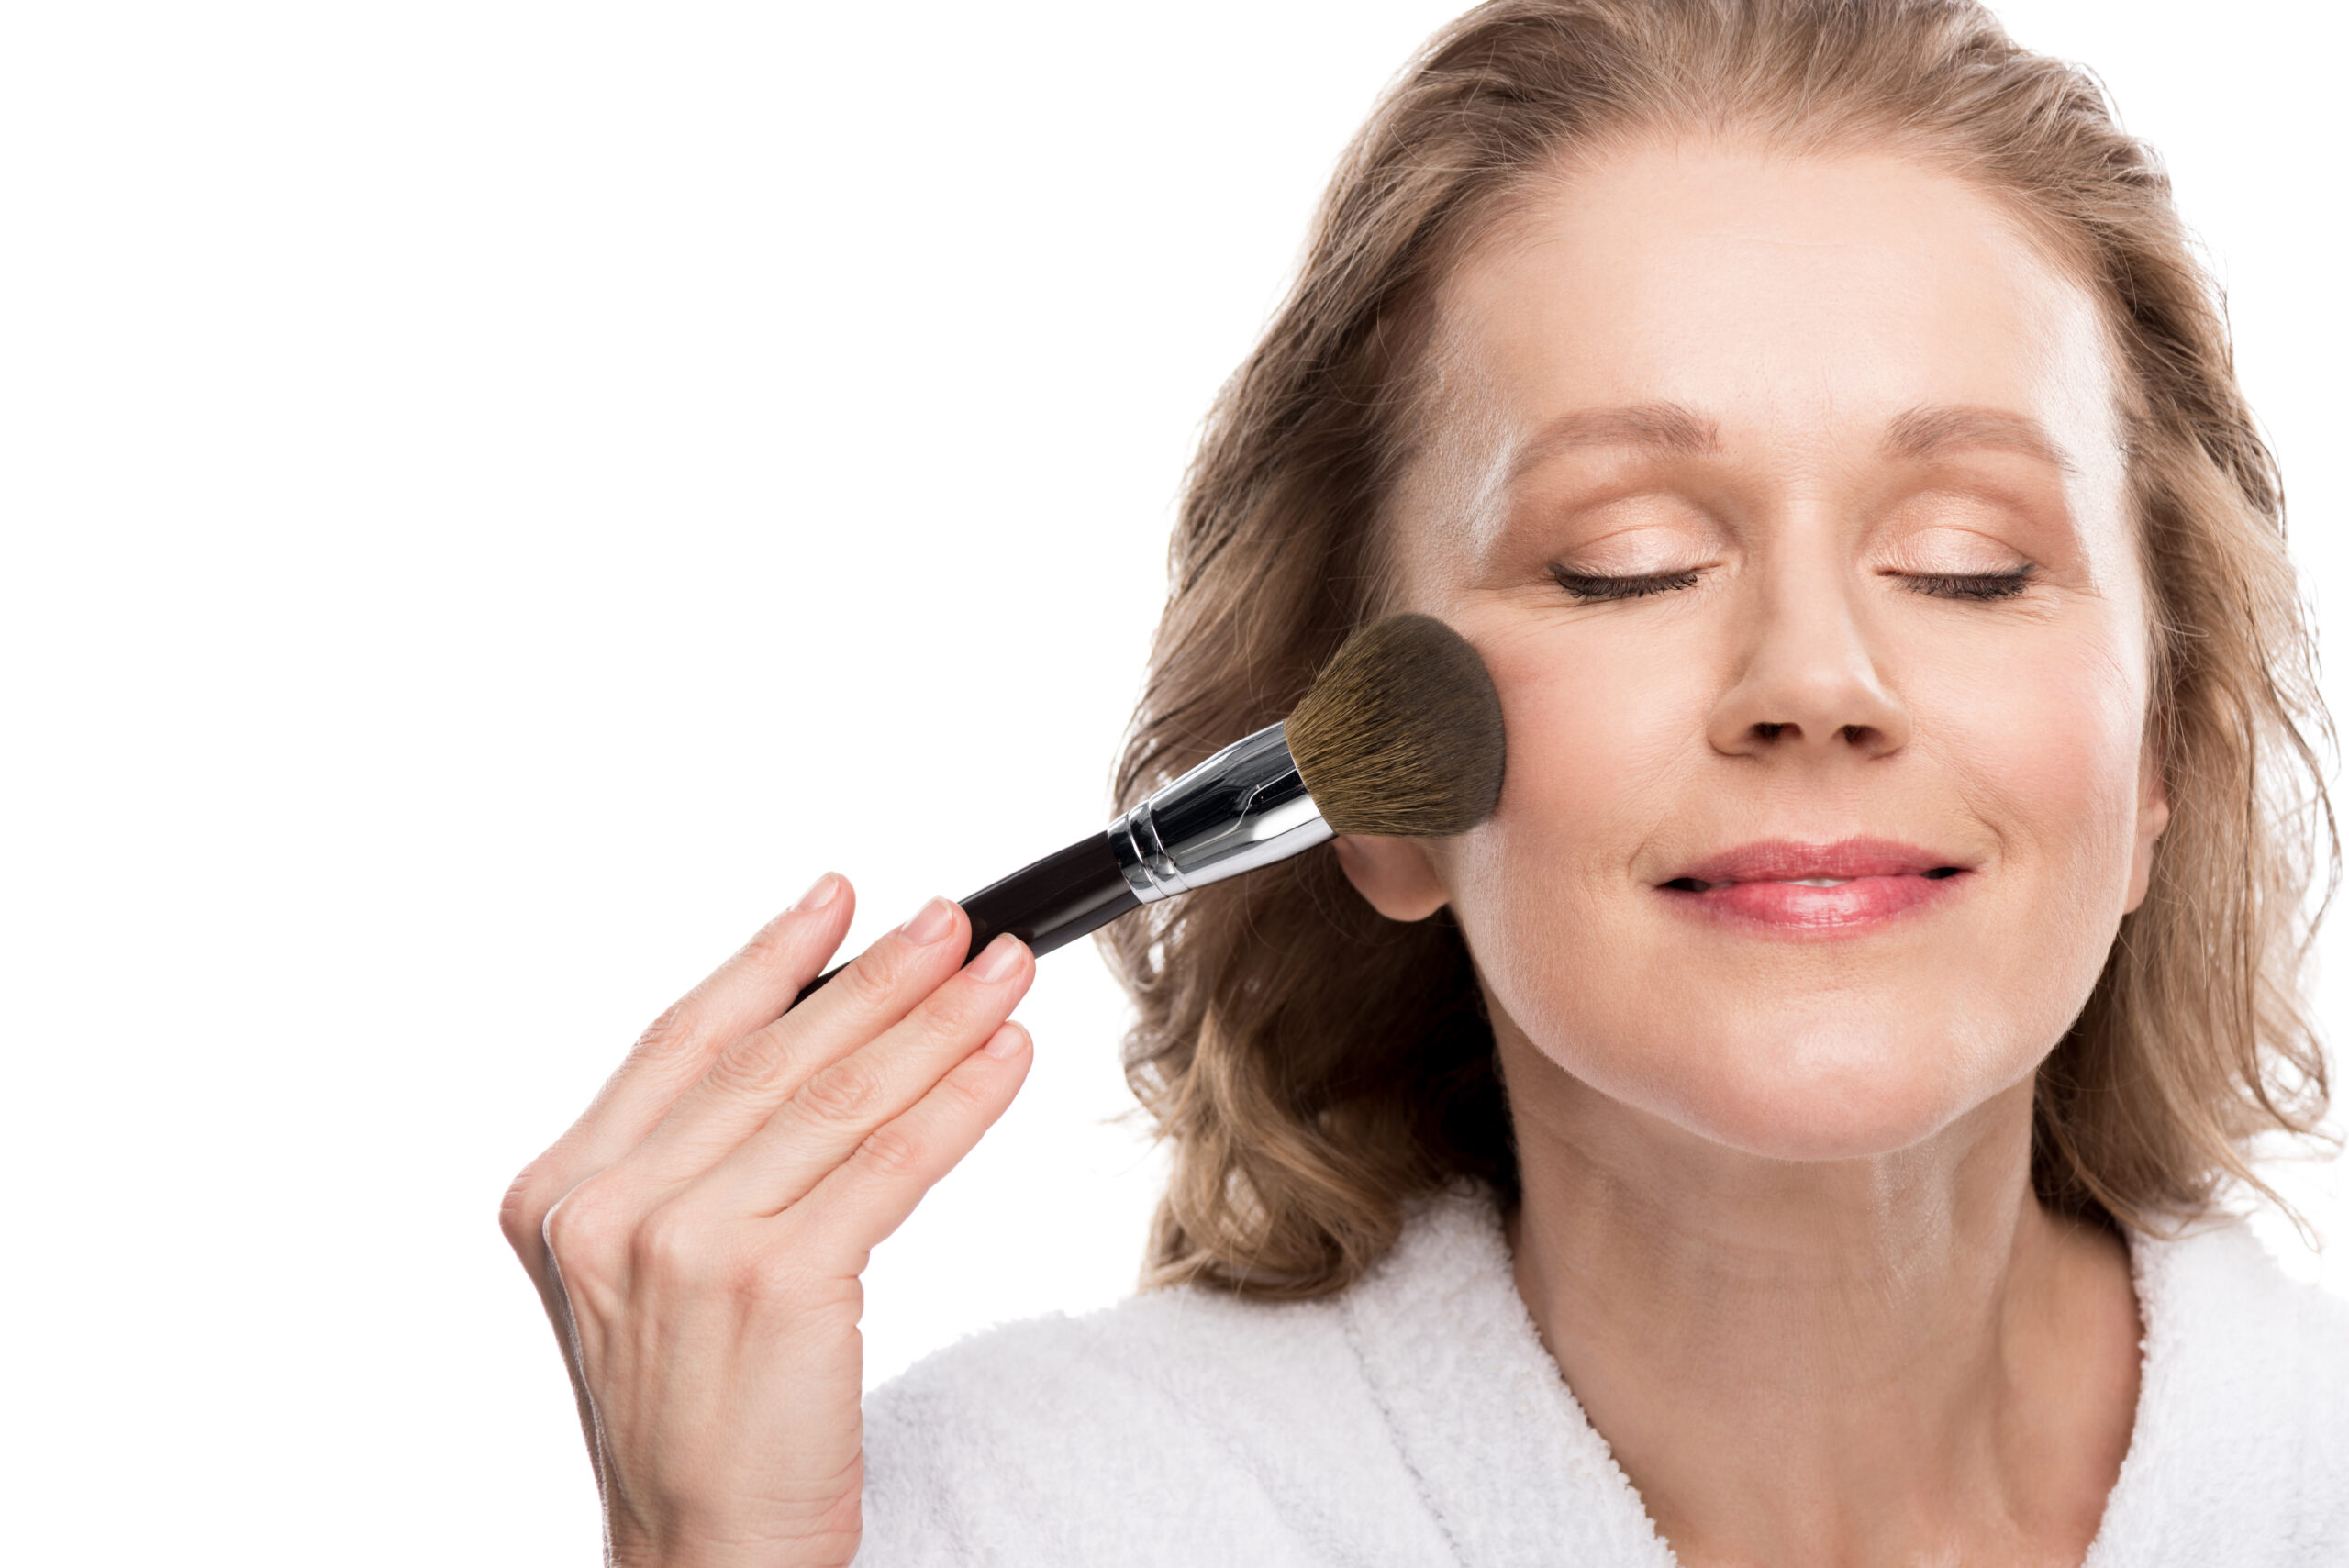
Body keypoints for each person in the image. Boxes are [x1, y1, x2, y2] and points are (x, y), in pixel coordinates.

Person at [499, 1, 2349, 1562]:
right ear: (1371, 788)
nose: (1813, 680)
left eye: (1966, 562)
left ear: (2162, 747)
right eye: (1622, 563)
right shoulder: (1007, 1517)